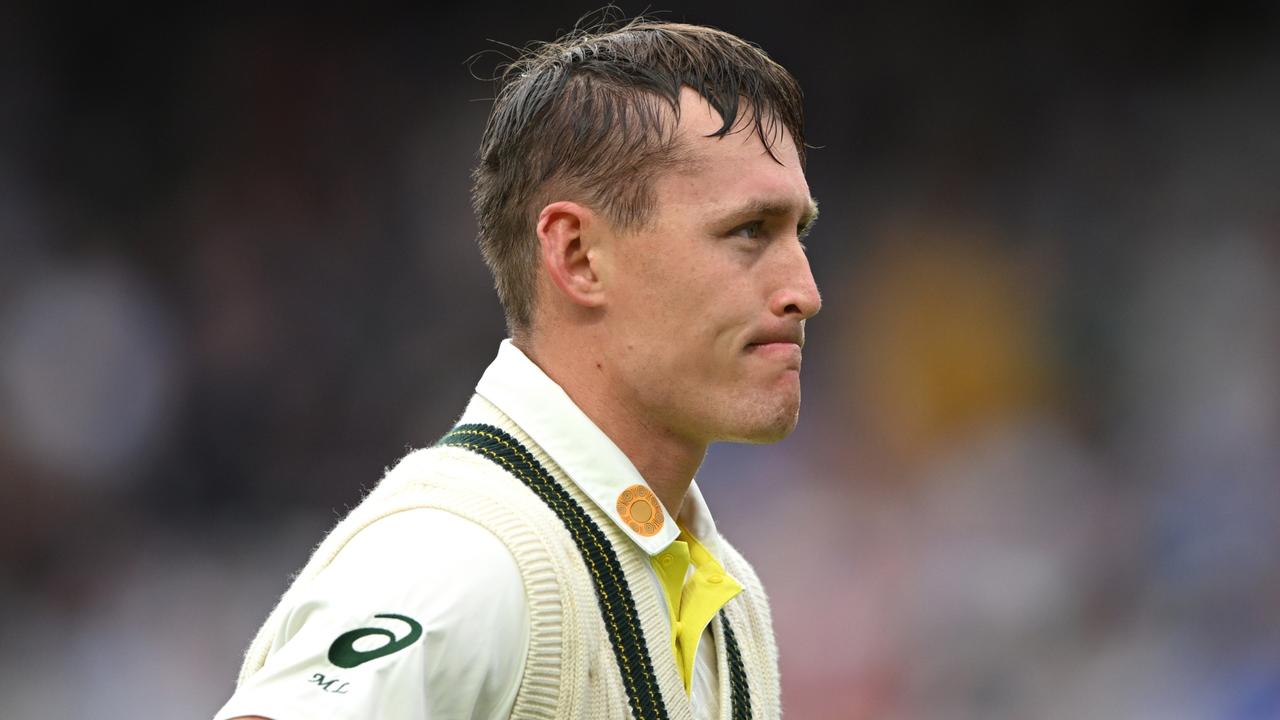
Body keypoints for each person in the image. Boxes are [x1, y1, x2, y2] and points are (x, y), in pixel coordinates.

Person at [215, 16, 819, 720]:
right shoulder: (464, 559)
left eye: (797, 232)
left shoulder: (727, 597)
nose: (804, 290)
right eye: (749, 231)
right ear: (577, 255)